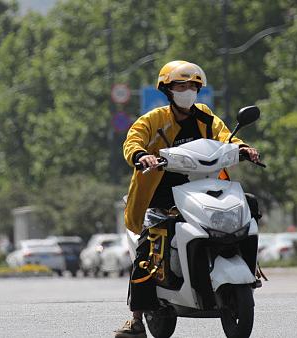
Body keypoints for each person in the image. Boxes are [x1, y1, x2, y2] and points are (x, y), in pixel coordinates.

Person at [115, 60, 260, 338]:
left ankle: (250, 266)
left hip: (201, 189)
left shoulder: (205, 115)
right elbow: (132, 141)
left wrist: (243, 149)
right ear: (168, 90)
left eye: (192, 86)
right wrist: (140, 155)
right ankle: (135, 319)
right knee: (148, 250)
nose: (187, 91)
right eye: (181, 86)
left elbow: (224, 135)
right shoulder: (153, 120)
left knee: (249, 204)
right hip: (161, 196)